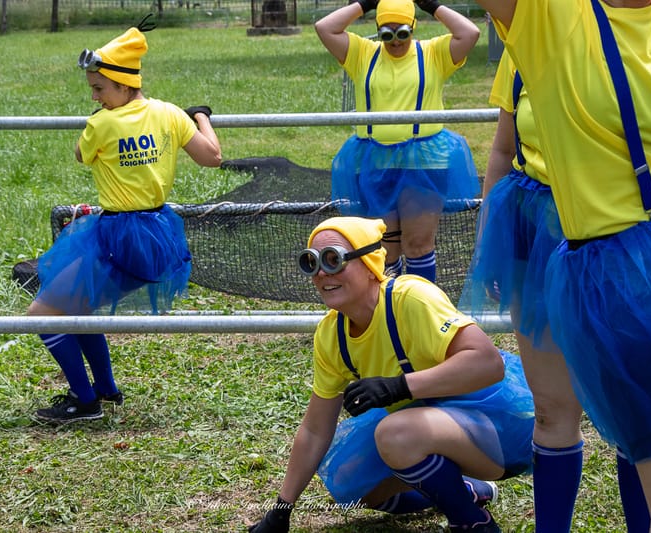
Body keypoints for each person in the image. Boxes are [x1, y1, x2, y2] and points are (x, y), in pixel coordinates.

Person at [470, 1, 651, 531]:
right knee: (563, 409)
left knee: (645, 429)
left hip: (648, 250)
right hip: (579, 243)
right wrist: (486, 235)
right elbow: (502, 148)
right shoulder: (545, 19)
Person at [247, 216, 534, 532]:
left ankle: (472, 522)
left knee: (395, 435)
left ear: (370, 265)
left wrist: (399, 386)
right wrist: (281, 510)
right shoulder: (332, 334)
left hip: (501, 427)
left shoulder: (409, 298)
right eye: (312, 263)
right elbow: (315, 430)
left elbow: (487, 363)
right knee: (352, 480)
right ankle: (463, 491)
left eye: (334, 260)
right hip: (425, 426)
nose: (321, 275)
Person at [28, 18, 222, 424]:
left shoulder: (101, 124)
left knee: (42, 313)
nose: (96, 98)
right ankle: (104, 389)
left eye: (99, 89)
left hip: (115, 235)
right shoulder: (170, 114)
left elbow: (81, 156)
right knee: (76, 306)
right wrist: (200, 116)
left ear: (123, 84)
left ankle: (85, 403)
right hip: (159, 232)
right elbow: (211, 157)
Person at [458, 49, 587, 532]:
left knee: (635, 414)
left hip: (623, 239)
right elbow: (501, 150)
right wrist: (489, 234)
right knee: (553, 407)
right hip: (533, 234)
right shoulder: (525, 44)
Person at [315, 0, 481, 282]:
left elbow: (470, 33)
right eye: (386, 33)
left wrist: (432, 5)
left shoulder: (432, 53)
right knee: (383, 249)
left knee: (417, 245)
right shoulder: (363, 53)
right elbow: (325, 28)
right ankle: (389, 311)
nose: (395, 41)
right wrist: (364, 4)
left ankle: (421, 310)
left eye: (402, 32)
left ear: (413, 28)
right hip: (374, 160)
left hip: (424, 162)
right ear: (377, 31)